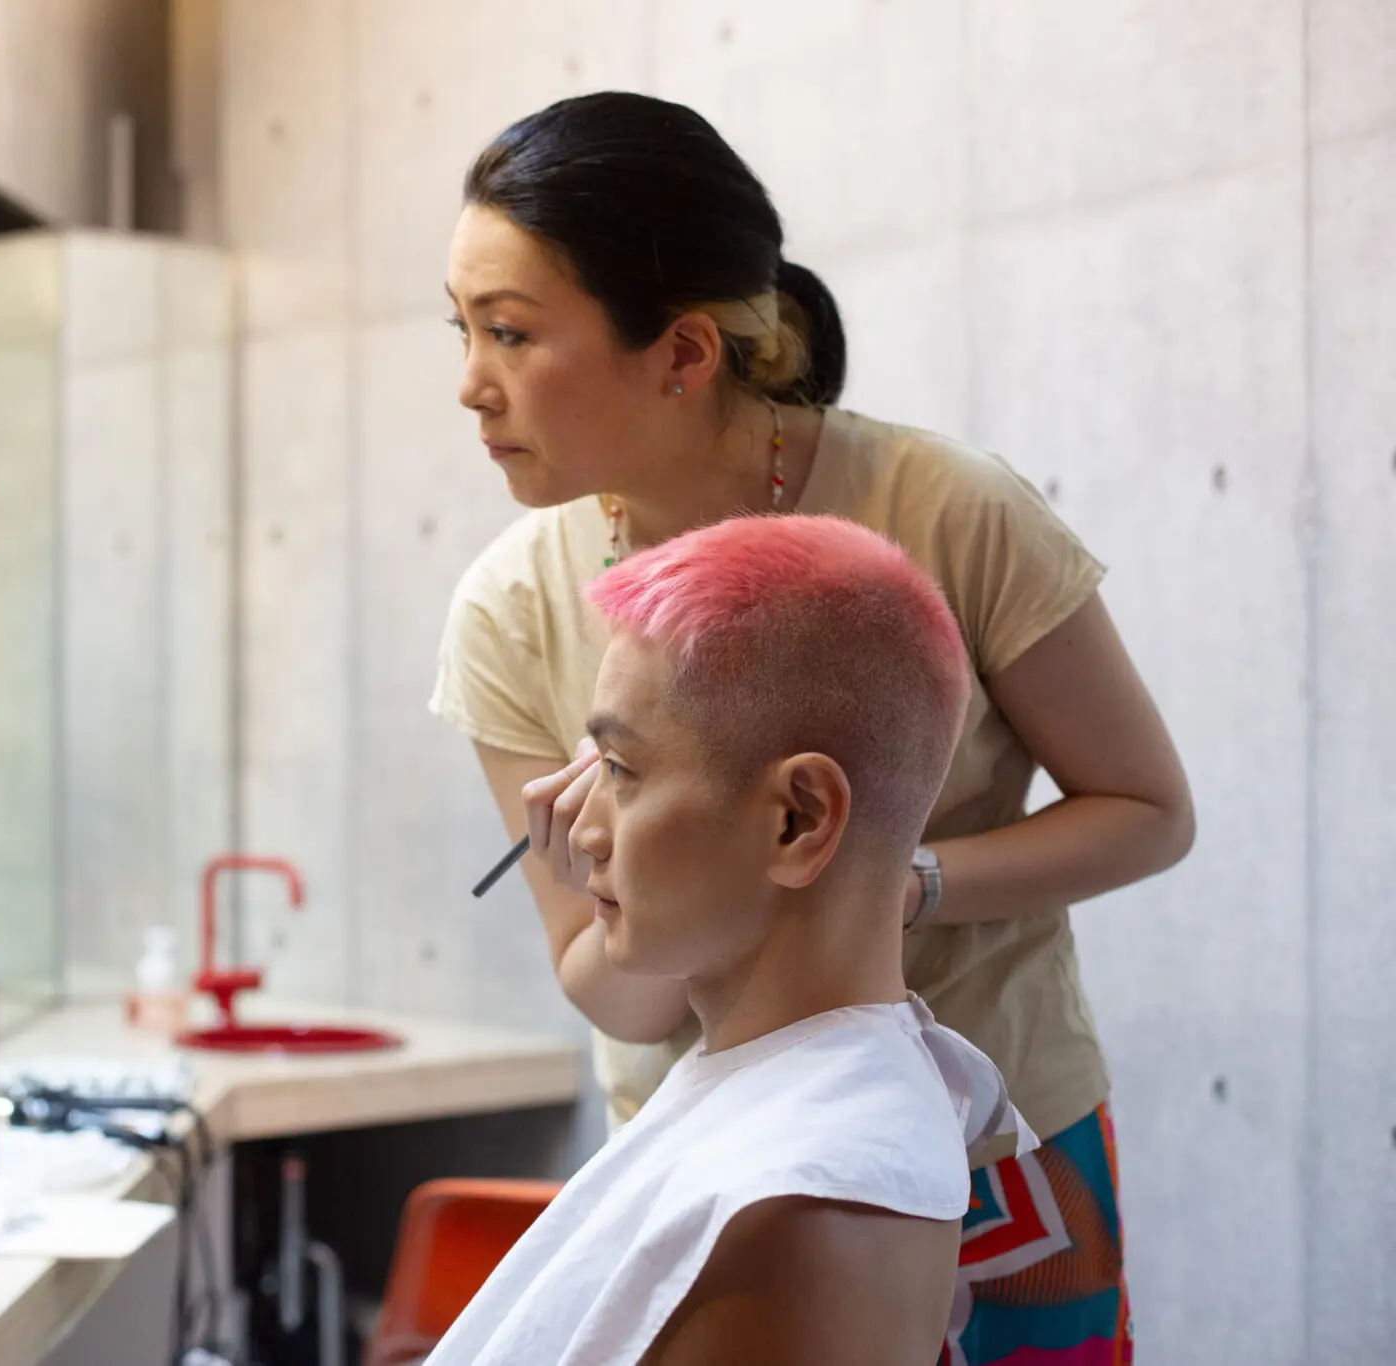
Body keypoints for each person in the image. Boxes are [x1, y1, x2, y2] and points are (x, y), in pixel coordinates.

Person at [432, 92, 1194, 1365]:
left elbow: (1148, 812)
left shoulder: (948, 511)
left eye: (507, 332)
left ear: (682, 352)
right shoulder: (508, 609)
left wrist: (893, 881)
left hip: (1001, 1142)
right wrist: (619, 877)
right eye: (459, 329)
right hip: (720, 1170)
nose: (468, 385)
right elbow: (622, 1002)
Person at [427, 514, 1030, 1366]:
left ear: (798, 820)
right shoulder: (783, 1111)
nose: (582, 831)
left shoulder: (804, 1205)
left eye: (619, 771)